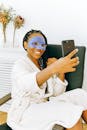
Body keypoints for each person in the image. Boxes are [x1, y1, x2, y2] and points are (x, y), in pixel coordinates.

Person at [7, 29, 87, 130]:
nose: (39, 47)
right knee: (72, 113)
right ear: (25, 45)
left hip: (44, 103)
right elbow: (27, 85)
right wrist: (53, 68)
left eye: (42, 44)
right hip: (26, 111)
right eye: (34, 43)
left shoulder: (44, 64)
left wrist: (61, 71)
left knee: (81, 94)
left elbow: (57, 93)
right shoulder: (20, 64)